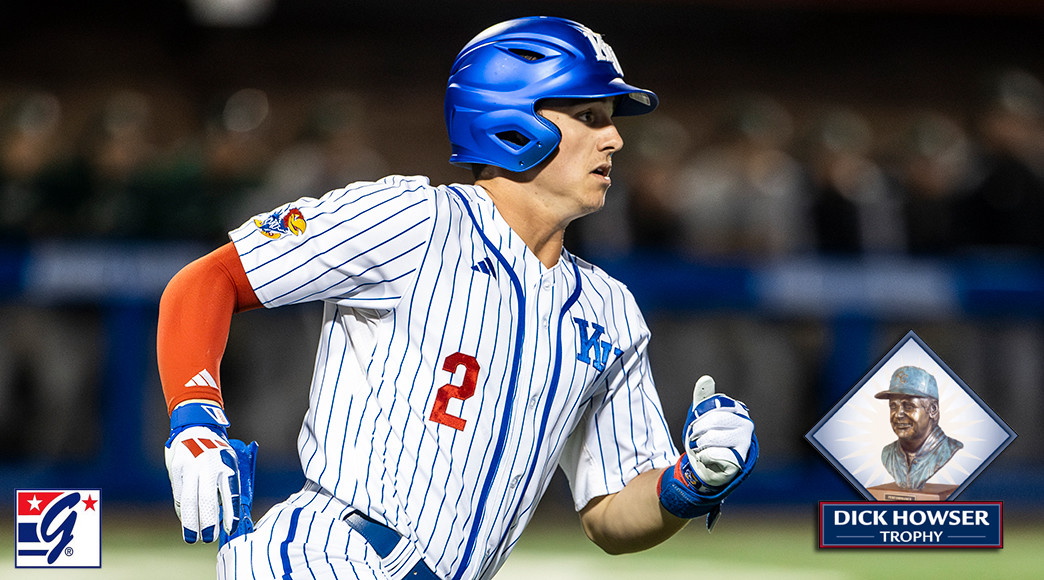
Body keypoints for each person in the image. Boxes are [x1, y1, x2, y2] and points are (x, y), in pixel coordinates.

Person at [157, 16, 757, 580]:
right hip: (327, 555)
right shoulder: (412, 220)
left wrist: (689, 483)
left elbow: (609, 515)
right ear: (514, 121)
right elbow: (208, 280)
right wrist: (195, 418)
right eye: (590, 116)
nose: (616, 139)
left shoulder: (609, 308)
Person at [875, 366, 963, 490]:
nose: (898, 414)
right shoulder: (888, 454)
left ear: (933, 410)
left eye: (909, 406)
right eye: (893, 406)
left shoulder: (949, 449)